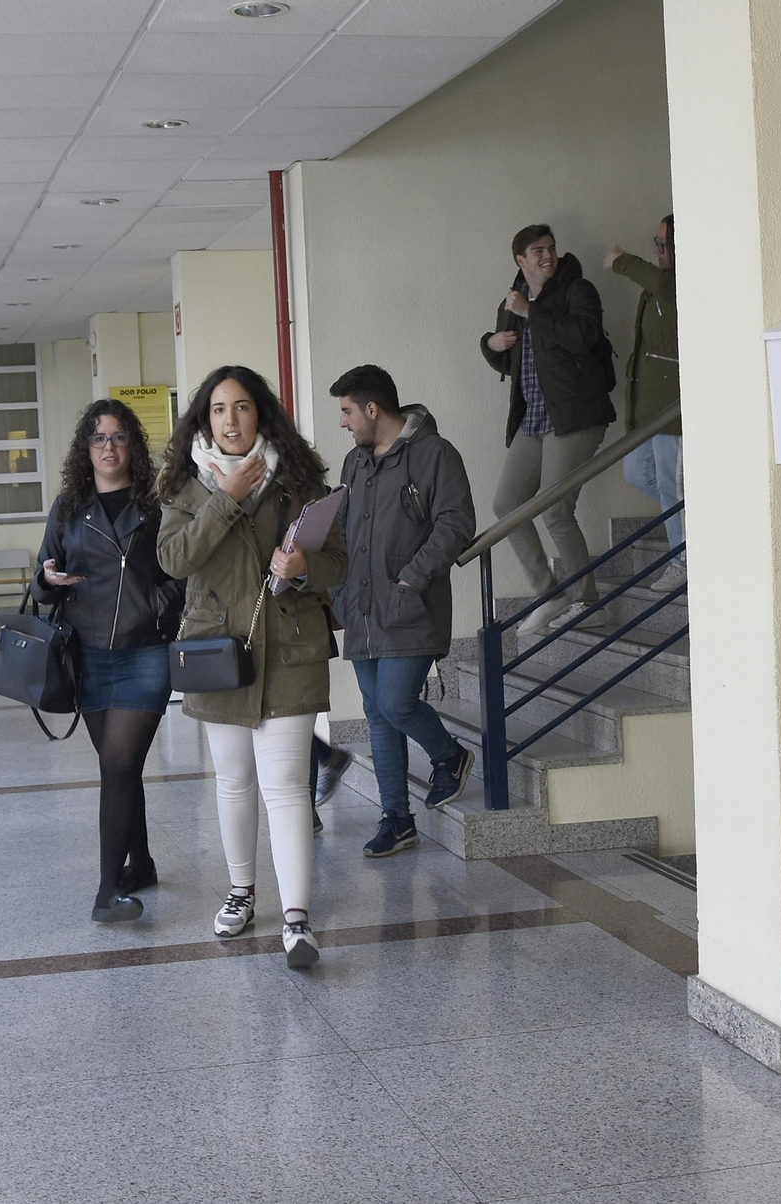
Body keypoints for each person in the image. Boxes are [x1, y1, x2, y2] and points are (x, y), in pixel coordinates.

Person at [158, 365, 347, 969]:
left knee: (287, 787)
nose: (231, 419)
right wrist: (225, 500)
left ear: (260, 413)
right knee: (235, 780)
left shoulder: (299, 480)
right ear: (204, 419)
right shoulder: (187, 485)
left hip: (290, 646)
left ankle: (298, 920)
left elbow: (340, 561)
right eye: (218, 409)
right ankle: (242, 893)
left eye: (242, 407)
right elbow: (174, 559)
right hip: (218, 651)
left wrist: (304, 571)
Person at [32, 399, 183, 924]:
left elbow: (180, 571)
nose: (109, 447)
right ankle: (139, 861)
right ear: (86, 449)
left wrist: (158, 606)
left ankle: (106, 891)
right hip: (89, 655)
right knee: (122, 768)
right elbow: (42, 577)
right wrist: (47, 581)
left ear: (132, 446)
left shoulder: (157, 503)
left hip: (146, 652)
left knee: (117, 764)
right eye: (98, 439)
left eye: (118, 437)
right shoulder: (69, 508)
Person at [331, 364, 477, 857]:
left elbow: (457, 522)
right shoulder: (355, 464)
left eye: (349, 412)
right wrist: (338, 594)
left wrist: (413, 576)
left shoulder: (435, 453)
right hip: (363, 610)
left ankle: (448, 755)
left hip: (412, 608)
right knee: (377, 714)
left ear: (373, 409)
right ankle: (396, 819)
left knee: (395, 702)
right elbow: (342, 533)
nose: (344, 423)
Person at [481, 224, 617, 634]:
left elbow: (583, 336)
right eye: (537, 250)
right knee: (507, 505)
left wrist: (532, 313)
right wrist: (489, 345)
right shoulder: (514, 300)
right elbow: (509, 362)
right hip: (535, 418)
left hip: (575, 417)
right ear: (520, 259)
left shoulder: (578, 290)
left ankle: (587, 601)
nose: (547, 256)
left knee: (556, 508)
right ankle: (551, 592)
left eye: (551, 248)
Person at [606, 214, 684, 591]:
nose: (657, 250)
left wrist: (622, 260)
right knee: (638, 472)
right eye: (656, 243)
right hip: (648, 409)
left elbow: (665, 286)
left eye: (663, 244)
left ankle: (684, 556)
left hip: (673, 408)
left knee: (672, 485)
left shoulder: (680, 284)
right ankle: (696, 524)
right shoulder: (657, 285)